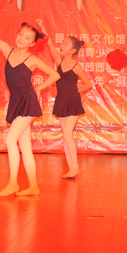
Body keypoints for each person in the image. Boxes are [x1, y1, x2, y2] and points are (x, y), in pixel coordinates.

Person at [0, 3, 60, 196]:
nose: (22, 39)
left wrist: (39, 88)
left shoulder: (32, 59)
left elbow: (55, 75)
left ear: (32, 44)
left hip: (28, 102)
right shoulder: (8, 50)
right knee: (25, 146)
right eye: (21, 34)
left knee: (10, 140)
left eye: (27, 38)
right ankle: (33, 187)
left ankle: (13, 183)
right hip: (17, 102)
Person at [35, 19, 92, 179]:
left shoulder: (76, 67)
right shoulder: (59, 61)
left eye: (66, 44)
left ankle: (75, 167)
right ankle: (71, 168)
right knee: (66, 136)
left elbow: (88, 84)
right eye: (63, 43)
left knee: (67, 134)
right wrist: (43, 26)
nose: (62, 45)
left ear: (73, 50)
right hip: (61, 101)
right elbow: (49, 43)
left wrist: (75, 92)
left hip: (72, 102)